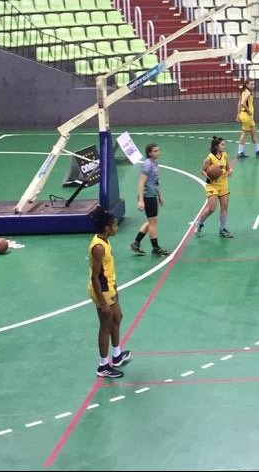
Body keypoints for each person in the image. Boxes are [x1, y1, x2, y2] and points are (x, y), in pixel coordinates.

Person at [89, 208, 130, 378]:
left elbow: (108, 269)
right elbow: (95, 276)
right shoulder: (98, 247)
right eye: (114, 225)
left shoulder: (105, 240)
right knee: (106, 325)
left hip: (109, 287)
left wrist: (116, 288)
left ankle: (117, 355)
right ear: (107, 228)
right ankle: (103, 366)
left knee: (118, 317)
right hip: (102, 290)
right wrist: (103, 302)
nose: (117, 227)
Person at [130, 143, 169, 256]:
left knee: (151, 221)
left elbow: (155, 182)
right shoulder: (147, 165)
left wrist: (160, 195)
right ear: (149, 153)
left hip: (153, 195)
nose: (158, 152)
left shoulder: (154, 163)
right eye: (155, 151)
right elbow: (141, 183)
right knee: (153, 223)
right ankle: (155, 248)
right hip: (148, 197)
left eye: (158, 150)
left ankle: (136, 243)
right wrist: (141, 200)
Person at [196, 136, 235, 238]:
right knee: (212, 209)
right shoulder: (209, 158)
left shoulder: (225, 155)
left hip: (223, 184)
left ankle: (223, 229)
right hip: (212, 185)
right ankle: (200, 222)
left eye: (224, 144)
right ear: (216, 146)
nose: (224, 146)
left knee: (224, 207)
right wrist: (209, 175)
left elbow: (228, 167)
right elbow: (202, 170)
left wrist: (230, 171)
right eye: (222, 144)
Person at [235, 82, 259, 159]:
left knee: (254, 132)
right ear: (247, 84)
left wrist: (238, 114)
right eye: (251, 84)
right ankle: (240, 152)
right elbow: (242, 103)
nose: (253, 85)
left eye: (253, 84)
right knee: (244, 134)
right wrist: (248, 110)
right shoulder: (247, 93)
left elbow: (239, 103)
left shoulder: (243, 92)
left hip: (249, 117)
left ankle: (258, 150)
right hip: (247, 116)